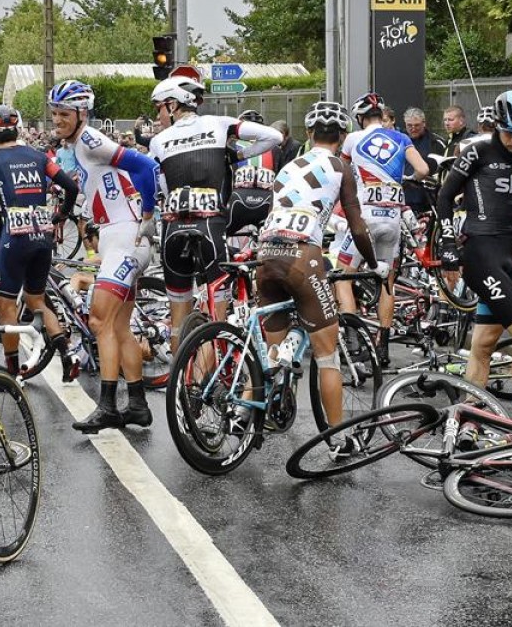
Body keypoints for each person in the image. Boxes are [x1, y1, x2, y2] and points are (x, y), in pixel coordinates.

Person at [257, 101, 383, 456]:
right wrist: (373, 263)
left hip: (266, 256)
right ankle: (338, 440)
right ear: (342, 137)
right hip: (302, 256)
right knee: (327, 354)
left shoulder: (288, 166)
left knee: (274, 348)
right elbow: (357, 225)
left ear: (310, 135)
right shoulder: (342, 166)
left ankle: (263, 405)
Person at [47, 81, 161, 433]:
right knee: (120, 327)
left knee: (99, 322)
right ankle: (138, 405)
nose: (58, 121)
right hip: (117, 235)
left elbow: (145, 167)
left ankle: (109, 407)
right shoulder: (78, 144)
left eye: (64, 114)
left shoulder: (90, 140)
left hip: (125, 235)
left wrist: (148, 213)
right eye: (54, 114)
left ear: (82, 113)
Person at [148, 76, 282, 353]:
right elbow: (274, 136)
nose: (157, 115)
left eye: (158, 108)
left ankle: (181, 384)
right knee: (215, 319)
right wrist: (238, 155)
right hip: (211, 225)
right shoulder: (220, 124)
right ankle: (209, 383)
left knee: (177, 322)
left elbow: (160, 186)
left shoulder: (158, 141)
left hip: (173, 227)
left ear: (172, 105)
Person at [438, 90, 512, 425]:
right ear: (497, 126)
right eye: (509, 132)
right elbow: (444, 197)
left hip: (506, 257)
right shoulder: (477, 151)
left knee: (483, 345)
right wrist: (447, 245)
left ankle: (468, 416)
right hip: (480, 253)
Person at [0, 104, 80, 381]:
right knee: (37, 300)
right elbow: (71, 187)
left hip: (15, 234)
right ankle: (68, 353)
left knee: (6, 306)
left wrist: (0, 237)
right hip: (42, 231)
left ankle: (11, 374)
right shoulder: (38, 155)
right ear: (18, 129)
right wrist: (62, 215)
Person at [334, 92, 429, 367]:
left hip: (365, 219)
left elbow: (342, 172)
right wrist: (405, 179)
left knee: (343, 276)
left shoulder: (354, 139)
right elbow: (423, 169)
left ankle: (353, 341)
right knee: (386, 281)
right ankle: (383, 345)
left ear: (361, 118)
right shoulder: (400, 138)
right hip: (392, 219)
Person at [227, 110, 281, 235]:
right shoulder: (275, 148)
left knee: (223, 235)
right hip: (267, 200)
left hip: (237, 199)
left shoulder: (231, 145)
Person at [402, 107, 447, 210]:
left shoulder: (437, 142)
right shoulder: (398, 141)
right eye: (409, 125)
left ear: (424, 123)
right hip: (403, 198)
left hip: (428, 200)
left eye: (417, 125)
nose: (413, 128)